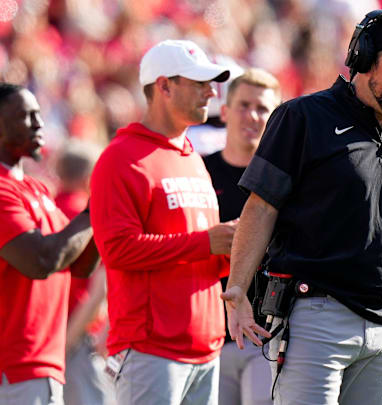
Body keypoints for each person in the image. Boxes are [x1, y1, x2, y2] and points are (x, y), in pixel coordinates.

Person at [221, 9, 382, 405]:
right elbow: (261, 208)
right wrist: (237, 288)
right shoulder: (303, 117)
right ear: (363, 61)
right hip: (316, 316)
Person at [89, 39, 236, 405]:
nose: (211, 92)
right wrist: (208, 242)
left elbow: (204, 254)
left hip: (206, 349)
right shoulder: (120, 158)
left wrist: (235, 245)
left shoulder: (193, 159)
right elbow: (118, 250)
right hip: (150, 350)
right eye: (199, 83)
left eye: (212, 83)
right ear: (164, 86)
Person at [0, 83, 99, 405]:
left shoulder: (37, 189)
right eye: (25, 116)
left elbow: (80, 264)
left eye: (39, 114)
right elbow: (40, 261)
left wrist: (105, 209)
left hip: (42, 362)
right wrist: (95, 207)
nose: (39, 124)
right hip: (13, 367)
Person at [202, 68, 282, 405]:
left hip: (266, 333)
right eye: (244, 105)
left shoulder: (285, 180)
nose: (252, 115)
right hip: (208, 332)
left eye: (263, 108)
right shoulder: (200, 171)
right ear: (225, 111)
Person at [55, 139, 114, 405]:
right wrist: (67, 344)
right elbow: (98, 292)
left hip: (45, 337)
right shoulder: (92, 215)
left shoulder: (44, 209)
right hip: (79, 339)